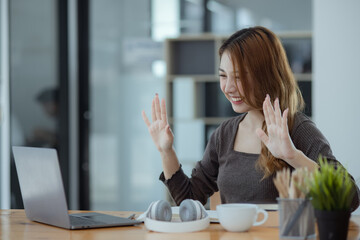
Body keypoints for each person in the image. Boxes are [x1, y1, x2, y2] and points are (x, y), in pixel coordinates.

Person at [142, 26, 360, 211]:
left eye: (238, 76)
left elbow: (351, 198)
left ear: (265, 75)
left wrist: (293, 155)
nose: (227, 87)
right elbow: (190, 201)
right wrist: (166, 151)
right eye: (223, 75)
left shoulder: (297, 129)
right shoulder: (224, 134)